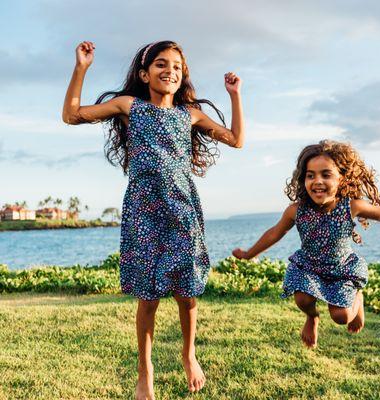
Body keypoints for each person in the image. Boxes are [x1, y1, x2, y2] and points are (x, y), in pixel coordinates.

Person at [62, 40, 245, 399]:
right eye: (162, 64)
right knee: (148, 299)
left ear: (182, 76)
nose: (170, 71)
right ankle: (145, 371)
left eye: (177, 67)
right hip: (144, 210)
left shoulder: (189, 114)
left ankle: (188, 353)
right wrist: (81, 68)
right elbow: (72, 115)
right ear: (145, 74)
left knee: (187, 292)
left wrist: (235, 95)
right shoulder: (130, 106)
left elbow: (236, 140)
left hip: (182, 208)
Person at [232, 140, 380, 348]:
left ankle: (357, 299)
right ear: (303, 179)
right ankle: (312, 318)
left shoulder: (350, 206)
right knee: (302, 299)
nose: (317, 181)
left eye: (326, 174)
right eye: (310, 175)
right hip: (309, 267)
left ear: (342, 179)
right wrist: (249, 253)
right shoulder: (296, 210)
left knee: (341, 316)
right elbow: (274, 233)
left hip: (341, 269)